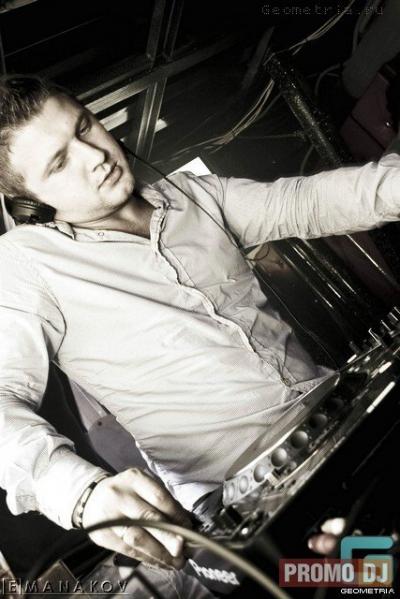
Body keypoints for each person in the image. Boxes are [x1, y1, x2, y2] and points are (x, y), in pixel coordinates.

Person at [0, 74, 399, 577]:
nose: (94, 155)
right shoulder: (25, 265)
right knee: (366, 577)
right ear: (31, 203)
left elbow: (313, 199)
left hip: (339, 412)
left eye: (83, 128)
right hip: (243, 497)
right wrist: (79, 492)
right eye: (59, 163)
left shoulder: (192, 195)